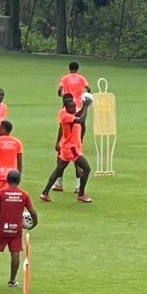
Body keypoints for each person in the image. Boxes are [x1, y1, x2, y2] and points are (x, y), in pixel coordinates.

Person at [0, 169, 37, 288]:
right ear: (19, 181)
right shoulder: (24, 195)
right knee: (15, 253)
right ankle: (12, 280)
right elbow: (33, 212)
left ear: (7, 180)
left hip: (1, 228)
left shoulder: (1, 193)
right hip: (16, 229)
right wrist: (35, 223)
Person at [40, 94, 93, 203]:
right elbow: (81, 119)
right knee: (87, 169)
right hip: (72, 148)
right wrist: (86, 107)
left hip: (65, 147)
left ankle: (45, 193)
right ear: (66, 107)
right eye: (71, 107)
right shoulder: (66, 117)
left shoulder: (64, 113)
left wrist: (83, 106)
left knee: (58, 170)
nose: (74, 109)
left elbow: (77, 114)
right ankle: (81, 194)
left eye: (74, 107)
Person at [55, 62, 90, 192]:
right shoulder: (81, 78)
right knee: (78, 157)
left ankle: (58, 183)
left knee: (61, 159)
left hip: (68, 107)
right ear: (77, 69)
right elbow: (89, 89)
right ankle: (77, 186)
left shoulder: (65, 78)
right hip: (79, 107)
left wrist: (63, 96)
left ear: (69, 69)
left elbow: (59, 91)